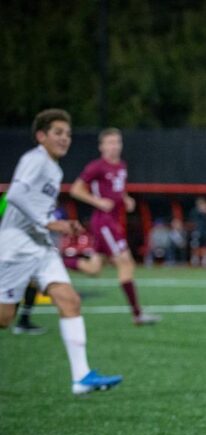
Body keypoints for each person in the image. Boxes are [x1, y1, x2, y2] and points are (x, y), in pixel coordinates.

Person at [0, 109, 122, 394]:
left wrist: (61, 225)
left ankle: (81, 377)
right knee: (4, 319)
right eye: (58, 132)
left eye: (68, 134)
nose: (65, 138)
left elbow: (38, 209)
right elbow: (15, 195)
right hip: (16, 247)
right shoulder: (36, 159)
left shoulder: (54, 168)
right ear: (41, 136)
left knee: (70, 301)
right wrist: (48, 222)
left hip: (40, 246)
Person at [67, 128, 159, 325]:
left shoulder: (121, 166)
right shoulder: (96, 167)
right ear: (101, 147)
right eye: (109, 142)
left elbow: (117, 189)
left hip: (112, 222)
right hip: (103, 222)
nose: (114, 146)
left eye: (117, 142)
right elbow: (75, 189)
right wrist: (97, 201)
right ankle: (137, 314)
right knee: (126, 262)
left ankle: (58, 262)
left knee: (94, 269)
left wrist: (125, 199)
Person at [0, 191, 45, 334]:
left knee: (31, 282)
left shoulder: (37, 195)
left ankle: (23, 320)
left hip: (24, 246)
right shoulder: (13, 195)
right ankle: (19, 320)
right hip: (12, 247)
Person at [189, 197, 206, 267]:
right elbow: (193, 222)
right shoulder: (194, 211)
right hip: (196, 232)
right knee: (195, 246)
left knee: (205, 246)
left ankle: (205, 260)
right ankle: (195, 260)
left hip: (205, 232)